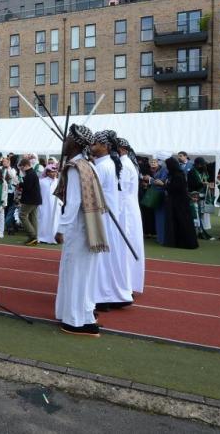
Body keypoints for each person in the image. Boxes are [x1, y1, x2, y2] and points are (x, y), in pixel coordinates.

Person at [54, 124, 108, 337]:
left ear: (76, 143)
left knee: (74, 273)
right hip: (90, 227)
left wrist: (61, 228)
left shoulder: (76, 167)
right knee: (85, 275)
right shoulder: (89, 165)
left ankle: (75, 321)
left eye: (67, 139)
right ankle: (84, 315)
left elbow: (73, 202)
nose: (64, 142)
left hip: (77, 229)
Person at [90, 131, 132, 310]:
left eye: (96, 143)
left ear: (105, 147)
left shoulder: (103, 166)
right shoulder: (107, 164)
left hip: (103, 218)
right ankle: (111, 294)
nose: (92, 145)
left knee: (101, 261)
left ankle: (102, 296)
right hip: (107, 217)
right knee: (108, 260)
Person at [116, 138, 145, 293]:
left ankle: (127, 284)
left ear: (122, 149)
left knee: (126, 247)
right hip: (128, 209)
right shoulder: (126, 164)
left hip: (125, 211)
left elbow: (121, 192)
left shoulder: (125, 166)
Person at [163, 157, 199, 249]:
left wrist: (164, 185)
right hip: (179, 202)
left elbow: (175, 188)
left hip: (179, 203)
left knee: (182, 222)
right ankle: (180, 242)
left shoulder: (178, 175)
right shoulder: (177, 174)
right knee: (180, 222)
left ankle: (185, 242)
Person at [17, 157, 42, 246]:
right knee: (33, 217)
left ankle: (33, 235)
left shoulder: (30, 174)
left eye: (22, 167)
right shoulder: (31, 173)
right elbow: (28, 186)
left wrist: (19, 184)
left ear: (26, 165)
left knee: (22, 215)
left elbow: (27, 188)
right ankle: (35, 238)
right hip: (35, 199)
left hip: (30, 200)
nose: (22, 170)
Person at [36, 164, 60, 244]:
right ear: (48, 172)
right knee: (44, 220)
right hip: (44, 204)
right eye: (52, 172)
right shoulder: (42, 181)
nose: (54, 173)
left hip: (56, 205)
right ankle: (42, 237)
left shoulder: (59, 181)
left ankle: (54, 238)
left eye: (55, 172)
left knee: (55, 220)